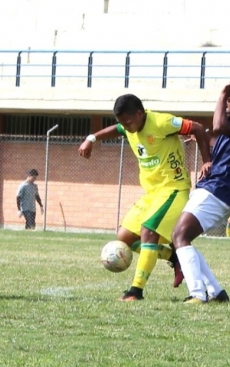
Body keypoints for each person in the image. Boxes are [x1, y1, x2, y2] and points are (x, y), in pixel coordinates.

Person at [78, 94, 210, 302]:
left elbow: (198, 128)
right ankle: (173, 256)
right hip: (152, 192)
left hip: (173, 189)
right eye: (122, 123)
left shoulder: (161, 122)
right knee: (124, 237)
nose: (126, 127)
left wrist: (206, 161)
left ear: (140, 114)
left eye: (128, 122)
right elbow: (116, 130)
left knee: (148, 231)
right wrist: (91, 138)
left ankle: (136, 291)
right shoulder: (128, 126)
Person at [172, 78, 230, 304]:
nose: (226, 105)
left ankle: (197, 294)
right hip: (220, 189)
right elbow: (220, 138)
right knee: (184, 238)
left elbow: (220, 127)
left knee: (179, 236)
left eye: (229, 100)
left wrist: (221, 95)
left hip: (218, 189)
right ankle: (217, 292)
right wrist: (207, 159)